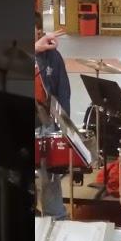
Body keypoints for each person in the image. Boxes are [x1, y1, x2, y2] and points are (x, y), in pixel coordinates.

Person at [35, 12, 70, 220]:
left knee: (50, 179)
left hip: (46, 124)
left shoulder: (53, 56)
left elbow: (63, 93)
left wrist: (63, 128)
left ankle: (57, 220)